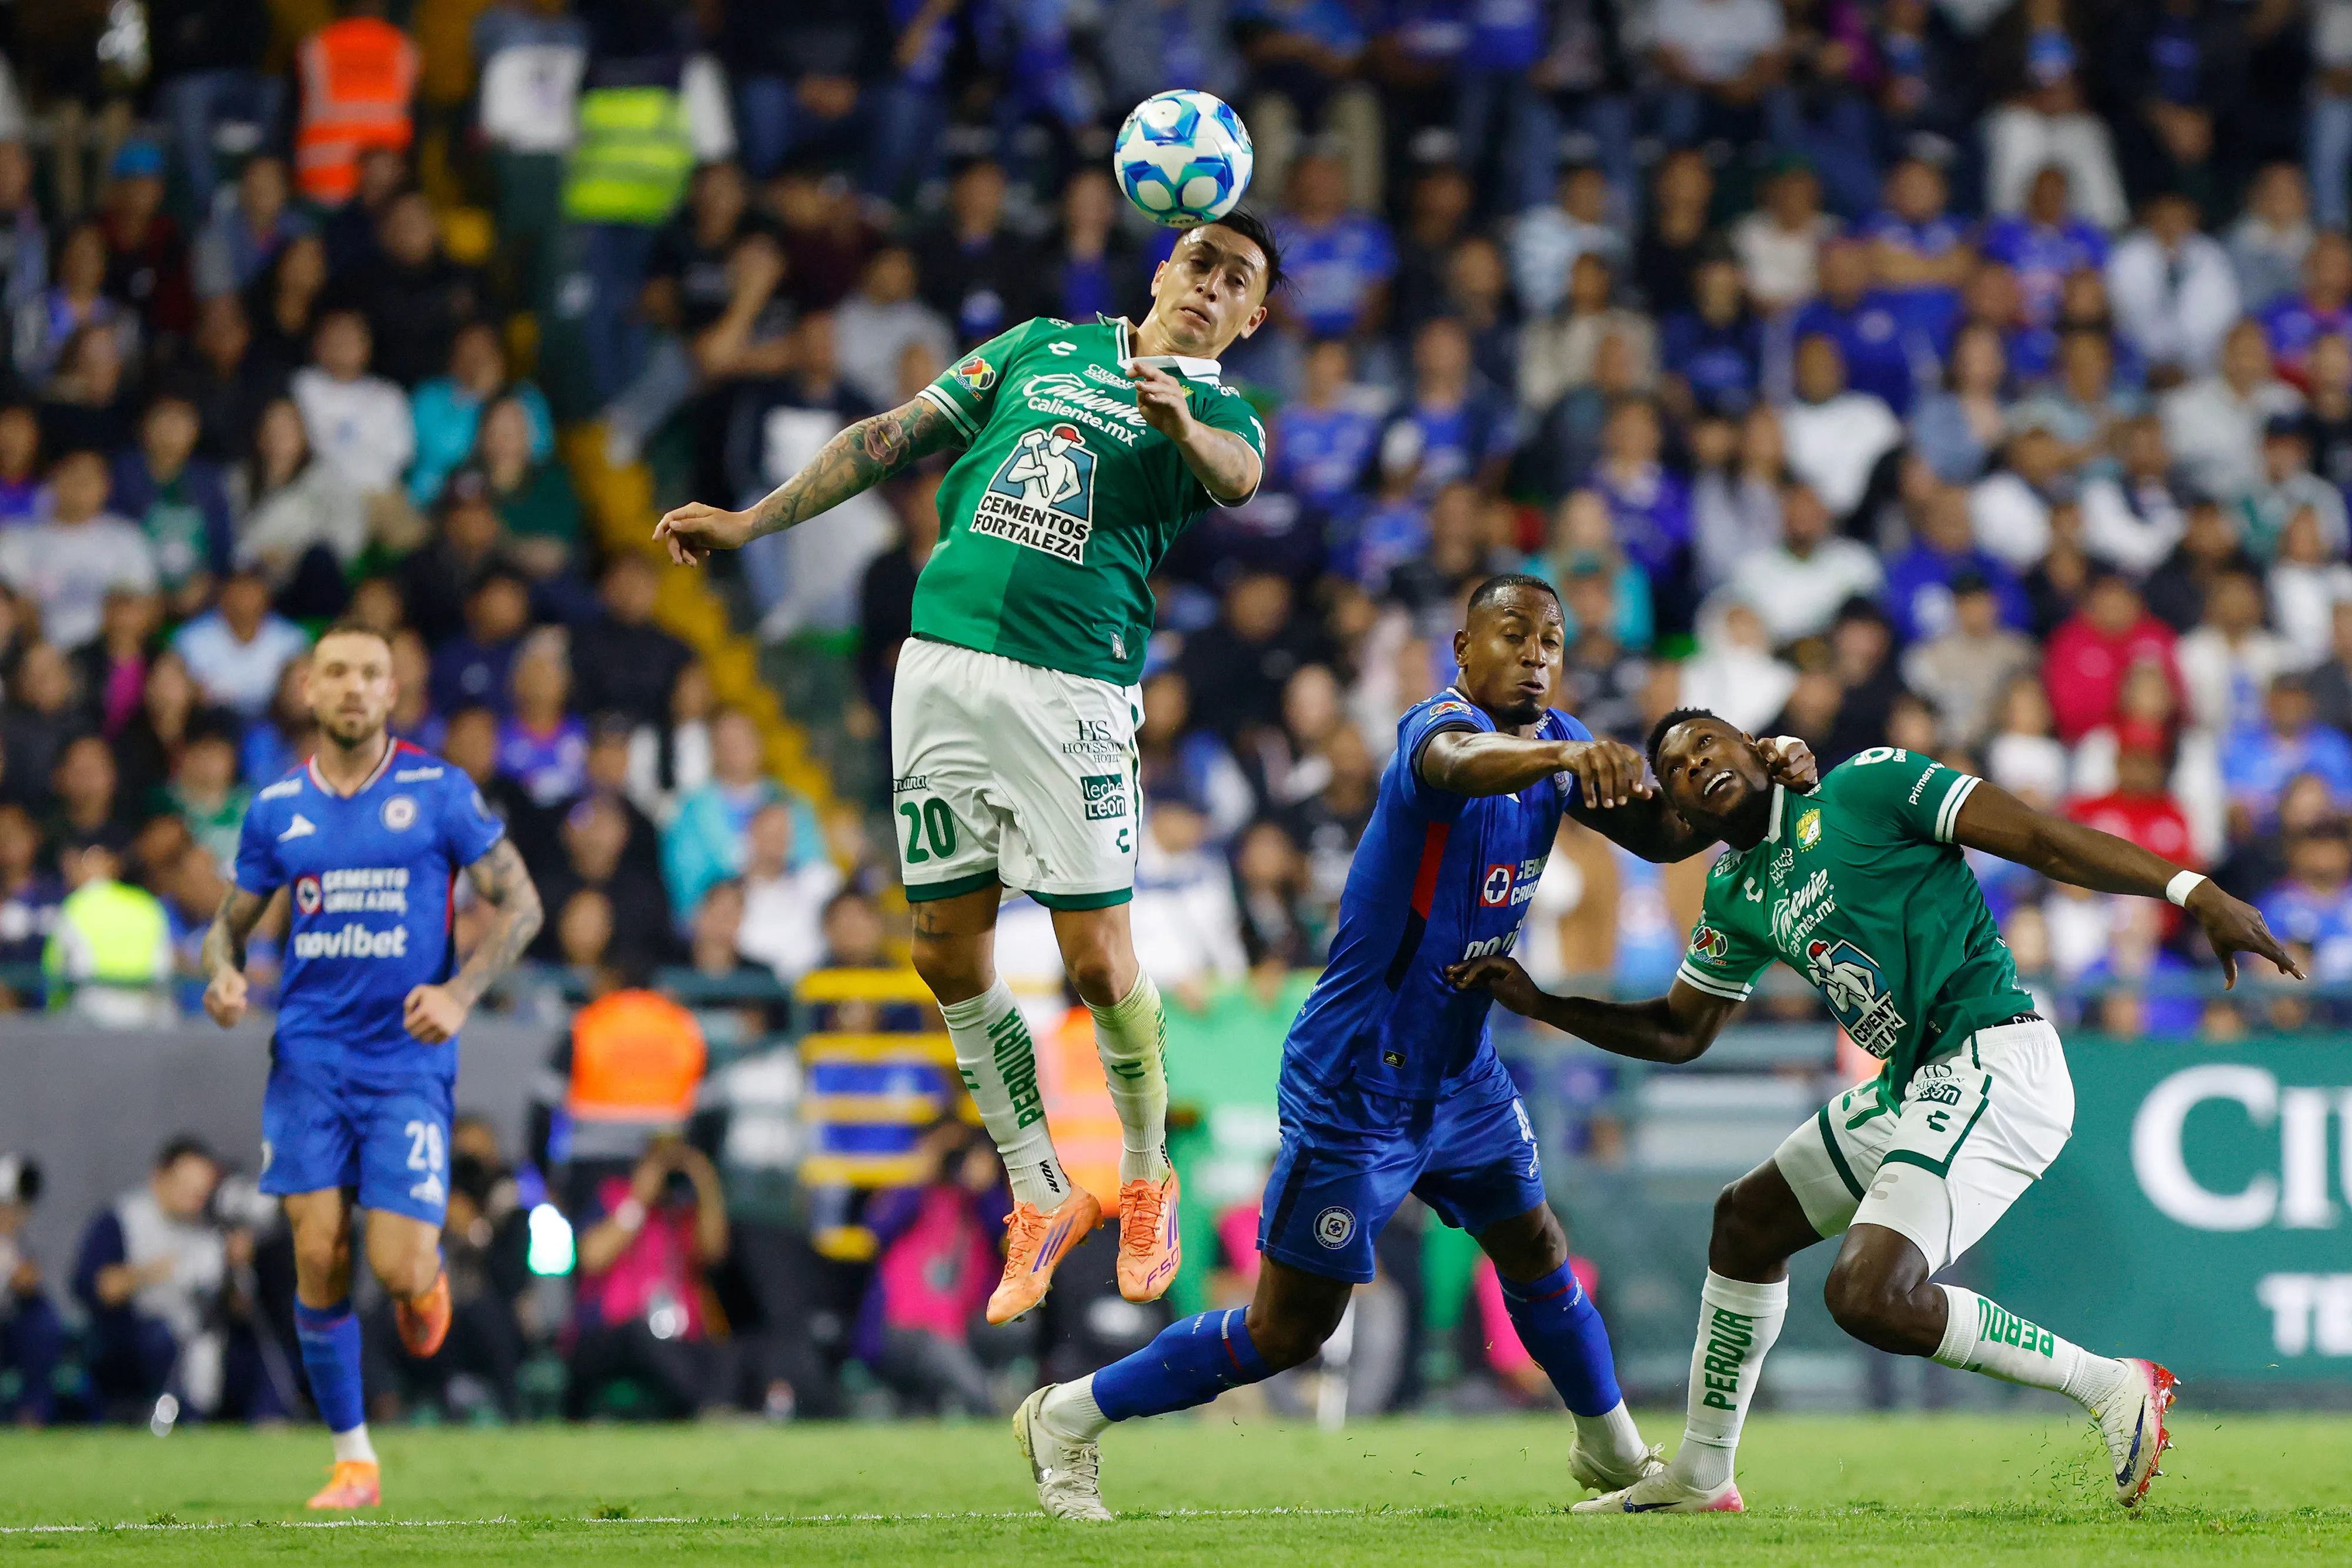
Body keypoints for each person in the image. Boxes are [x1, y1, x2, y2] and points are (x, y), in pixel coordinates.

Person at [1007, 574, 1820, 1519]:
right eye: (1512, 636)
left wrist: (1769, 772)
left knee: (1536, 1244)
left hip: (1461, 1068)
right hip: (1357, 1077)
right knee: (1287, 1332)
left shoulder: (1555, 745)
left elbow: (1672, 838)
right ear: (1463, 648)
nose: (1535, 656)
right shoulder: (1437, 731)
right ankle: (1067, 1416)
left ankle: (1614, 1450)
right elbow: (1457, 762)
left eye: (1551, 642)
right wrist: (1561, 763)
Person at [654, 211, 1284, 1323]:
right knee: (944, 953)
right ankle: (1041, 1192)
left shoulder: (1225, 412)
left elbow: (1235, 479)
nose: (1210, 287)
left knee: (1096, 957)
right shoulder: (1043, 344)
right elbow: (891, 434)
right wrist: (751, 524)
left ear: (1251, 317)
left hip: (1075, 689)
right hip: (939, 669)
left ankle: (1145, 1174)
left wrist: (1181, 420)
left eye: (1237, 281)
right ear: (1162, 268)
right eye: (1200, 262)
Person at [1451, 710, 2303, 1513]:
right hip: (1916, 1080)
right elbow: (1679, 1031)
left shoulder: (1866, 784)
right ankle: (1703, 1473)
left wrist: (2191, 890)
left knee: (1870, 1295)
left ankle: (2114, 1386)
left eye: (1707, 744)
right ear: (1675, 811)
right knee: (1747, 1221)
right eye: (1675, 769)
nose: (1695, 764)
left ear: (1755, 744)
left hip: (1993, 1056)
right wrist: (1543, 1000)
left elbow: (2039, 837)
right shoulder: (1736, 889)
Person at [199, 620, 544, 1509]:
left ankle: (421, 1284)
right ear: (308, 692)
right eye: (337, 672)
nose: (354, 687)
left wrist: (463, 992)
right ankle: (354, 1459)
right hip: (310, 1054)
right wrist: (225, 975)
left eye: (371, 674)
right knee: (317, 1250)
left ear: (393, 693)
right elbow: (228, 924)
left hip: (405, 1062)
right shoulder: (279, 808)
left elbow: (524, 905)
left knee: (394, 1266)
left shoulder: (438, 791)